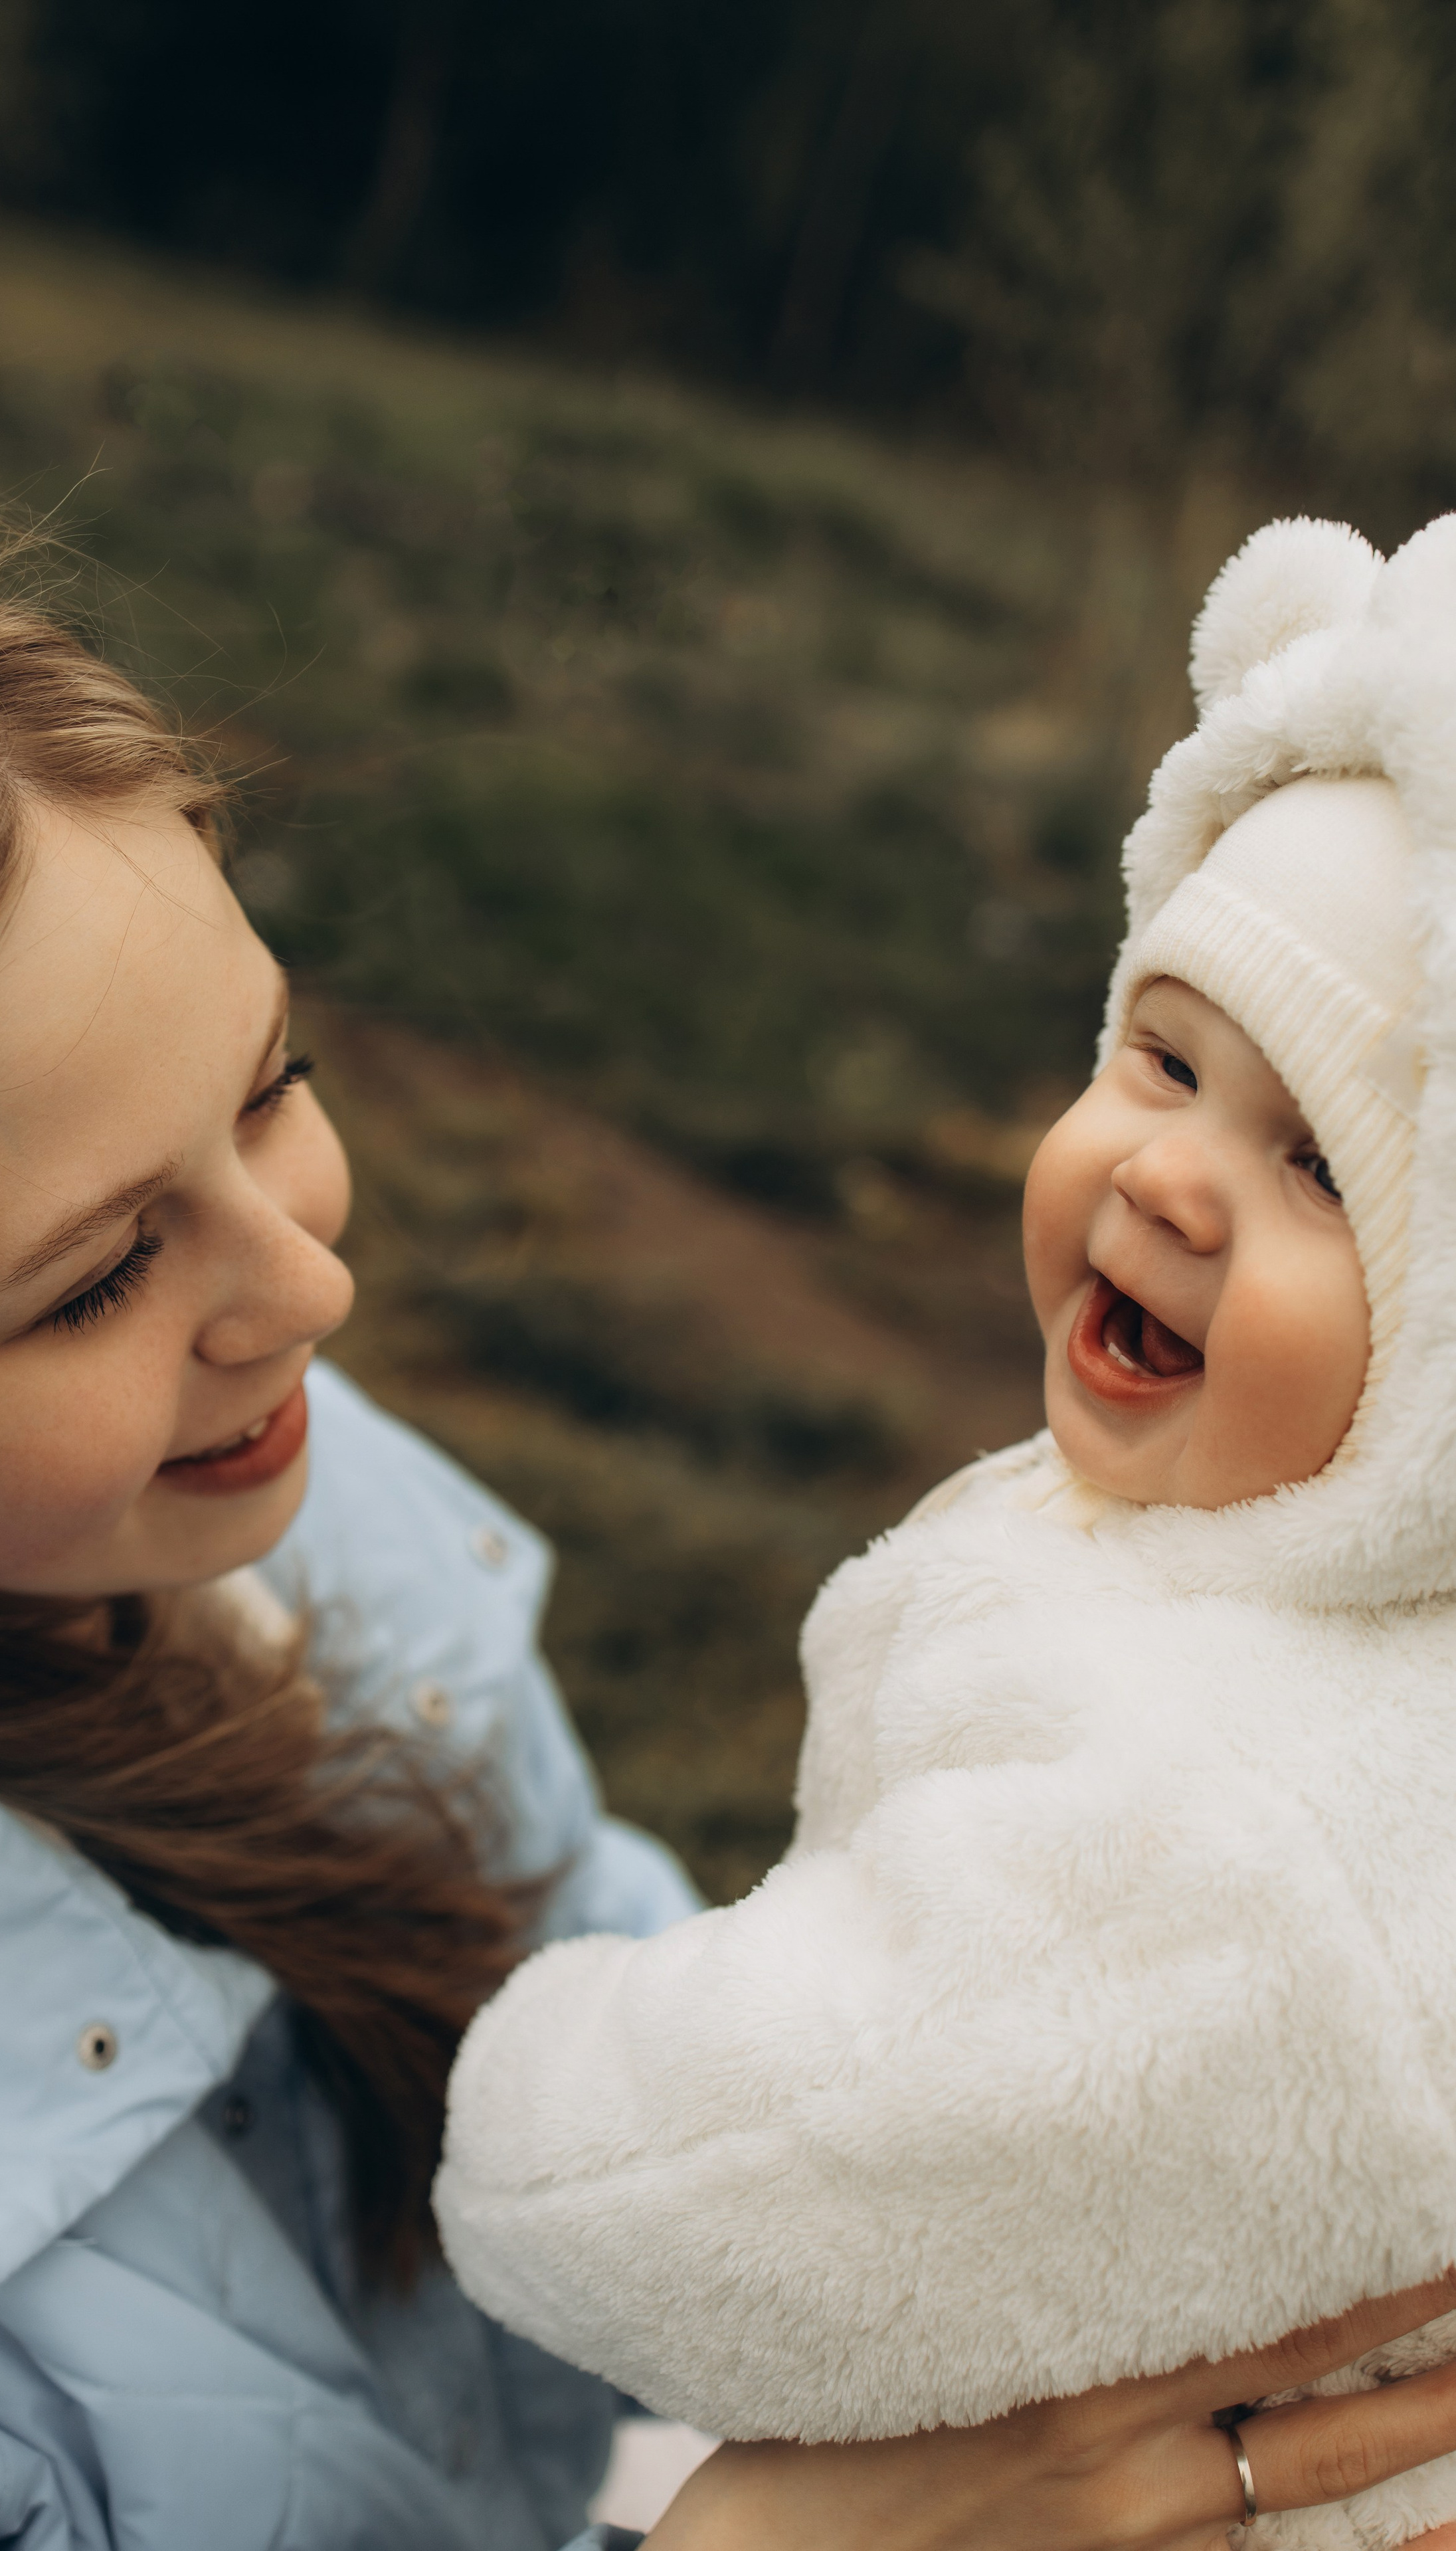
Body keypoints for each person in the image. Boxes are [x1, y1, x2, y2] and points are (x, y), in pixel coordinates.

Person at [0, 506, 1454, 2551]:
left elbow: (630, 1984)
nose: (313, 1298)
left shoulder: (266, 1496)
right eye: (104, 1274)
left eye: (272, 1086)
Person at [436, 515, 1456, 2549]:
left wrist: (525, 2100)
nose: (1170, 1179)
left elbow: (764, 2186)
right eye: (1162, 1059)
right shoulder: (1286, 1577)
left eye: (1324, 1171)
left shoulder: (1228, 1843)